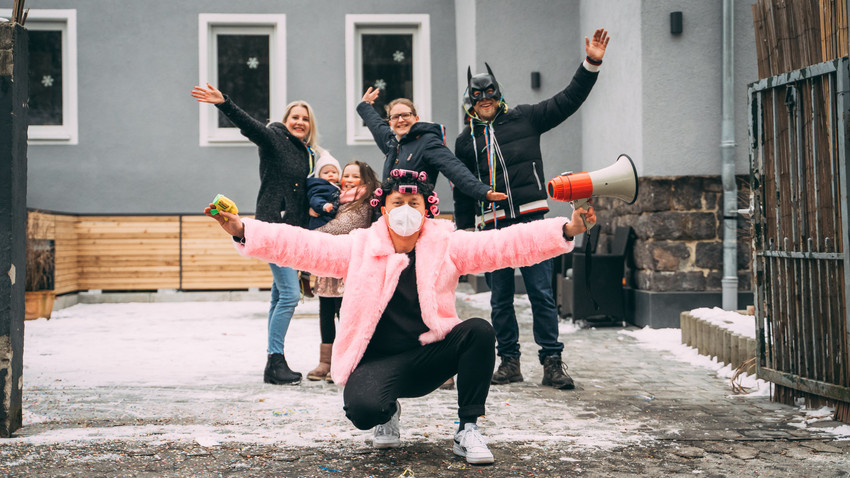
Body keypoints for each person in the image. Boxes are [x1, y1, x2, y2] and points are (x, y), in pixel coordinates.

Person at [204, 170, 595, 465]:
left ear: (427, 209)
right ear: (383, 208)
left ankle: (468, 429)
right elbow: (303, 245)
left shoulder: (447, 244)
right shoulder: (359, 247)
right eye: (397, 203)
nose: (405, 210)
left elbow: (505, 244)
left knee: (478, 331)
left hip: (429, 357)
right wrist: (243, 230)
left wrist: (564, 229)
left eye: (414, 203)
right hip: (377, 362)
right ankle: (387, 412)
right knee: (362, 411)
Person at [452, 28, 610, 390]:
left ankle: (552, 362)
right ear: (469, 101)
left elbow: (567, 100)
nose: (485, 100)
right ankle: (509, 362)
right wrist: (463, 237)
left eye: (490, 94)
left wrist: (591, 63)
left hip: (532, 222)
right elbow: (461, 190)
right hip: (492, 228)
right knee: (500, 298)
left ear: (499, 94)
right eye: (477, 96)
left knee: (541, 293)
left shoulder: (525, 118)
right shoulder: (465, 142)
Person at [192, 83, 331, 385]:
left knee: (279, 295)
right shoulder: (275, 138)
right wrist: (224, 103)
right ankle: (275, 361)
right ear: (285, 120)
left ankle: (273, 361)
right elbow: (250, 126)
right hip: (273, 229)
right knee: (290, 296)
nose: (299, 122)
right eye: (295, 117)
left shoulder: (306, 153)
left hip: (292, 232)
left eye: (305, 119)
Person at [356, 90, 508, 204]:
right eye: (395, 117)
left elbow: (454, 168)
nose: (400, 120)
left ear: (416, 118)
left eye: (405, 115)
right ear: (390, 123)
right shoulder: (392, 144)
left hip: (416, 214)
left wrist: (483, 192)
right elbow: (376, 126)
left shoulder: (427, 142)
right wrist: (365, 106)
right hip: (391, 214)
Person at [306, 161, 380, 382]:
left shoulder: (364, 202)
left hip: (349, 267)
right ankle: (325, 362)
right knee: (325, 313)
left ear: (365, 180)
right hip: (329, 265)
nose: (348, 180)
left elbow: (340, 227)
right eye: (345, 175)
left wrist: (311, 232)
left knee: (344, 313)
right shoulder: (336, 198)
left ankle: (342, 361)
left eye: (355, 176)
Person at [306, 155, 342, 230]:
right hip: (320, 220)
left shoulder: (336, 186)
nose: (330, 174)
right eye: (326, 173)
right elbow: (315, 198)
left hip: (330, 219)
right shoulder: (321, 186)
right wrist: (323, 205)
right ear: (319, 175)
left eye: (334, 172)